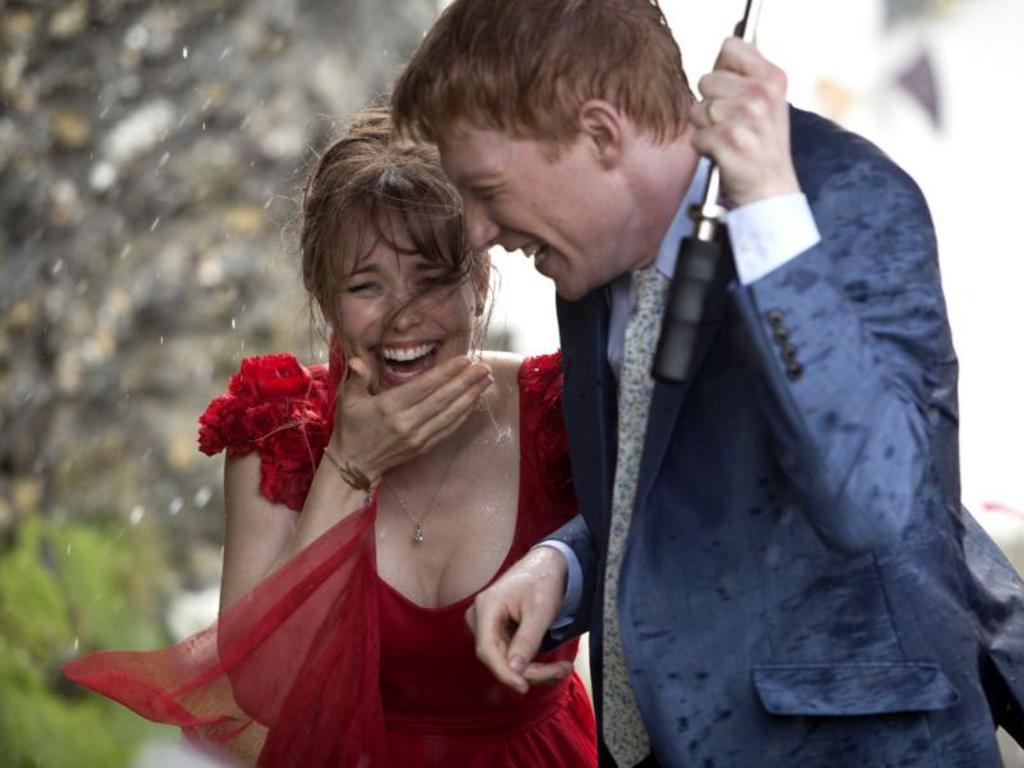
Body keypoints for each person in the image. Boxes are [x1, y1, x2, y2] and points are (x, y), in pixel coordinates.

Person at [390, 1, 1024, 765]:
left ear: (601, 134)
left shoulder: (847, 197)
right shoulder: (583, 257)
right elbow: (688, 480)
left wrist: (773, 224)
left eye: (488, 189)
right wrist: (565, 564)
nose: (477, 230)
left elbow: (876, 505)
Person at [64, 107, 597, 767]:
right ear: (324, 298)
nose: (404, 317)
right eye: (367, 285)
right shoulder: (279, 430)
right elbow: (265, 690)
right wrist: (348, 467)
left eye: (432, 279)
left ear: (480, 279)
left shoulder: (558, 411)